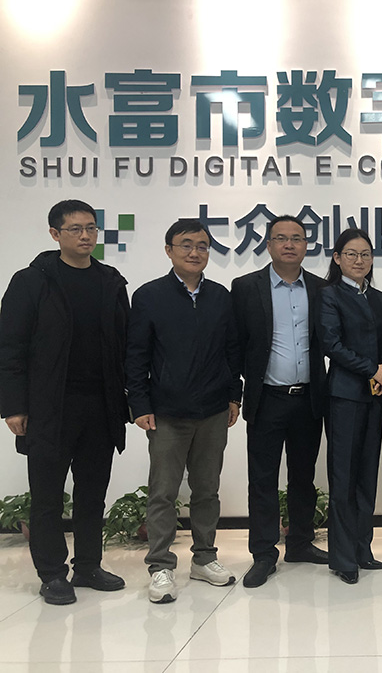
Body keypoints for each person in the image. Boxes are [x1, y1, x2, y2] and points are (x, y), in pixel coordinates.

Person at [0, 200, 129, 605]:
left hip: (100, 406)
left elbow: (124, 346)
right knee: (47, 497)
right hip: (49, 407)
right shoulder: (32, 281)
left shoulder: (110, 281)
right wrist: (13, 406)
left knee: (93, 493)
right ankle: (52, 574)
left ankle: (88, 565)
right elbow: (10, 347)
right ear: (55, 234)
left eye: (91, 228)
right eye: (75, 229)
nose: (86, 236)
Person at [126, 219, 243, 603]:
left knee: (207, 490)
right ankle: (160, 566)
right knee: (163, 492)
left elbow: (232, 351)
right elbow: (136, 355)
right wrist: (139, 404)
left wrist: (234, 396)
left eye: (203, 246)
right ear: (169, 250)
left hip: (212, 410)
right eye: (186, 245)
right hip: (166, 412)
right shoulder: (149, 296)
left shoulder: (220, 296)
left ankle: (204, 558)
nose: (195, 252)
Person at [232, 215, 329, 589]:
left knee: (304, 476)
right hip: (267, 398)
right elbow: (235, 345)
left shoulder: (320, 288)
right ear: (269, 245)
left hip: (308, 398)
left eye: (297, 238)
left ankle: (300, 543)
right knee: (262, 478)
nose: (290, 244)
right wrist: (235, 393)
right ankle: (263, 553)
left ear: (306, 245)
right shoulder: (245, 287)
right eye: (281, 238)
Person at [317, 228, 382, 585]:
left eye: (365, 254)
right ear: (337, 258)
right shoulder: (329, 295)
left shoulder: (378, 298)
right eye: (351, 254)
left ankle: (363, 549)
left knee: (367, 475)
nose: (359, 260)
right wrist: (371, 369)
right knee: (344, 478)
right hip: (344, 397)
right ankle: (343, 557)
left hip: (375, 395)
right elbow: (331, 344)